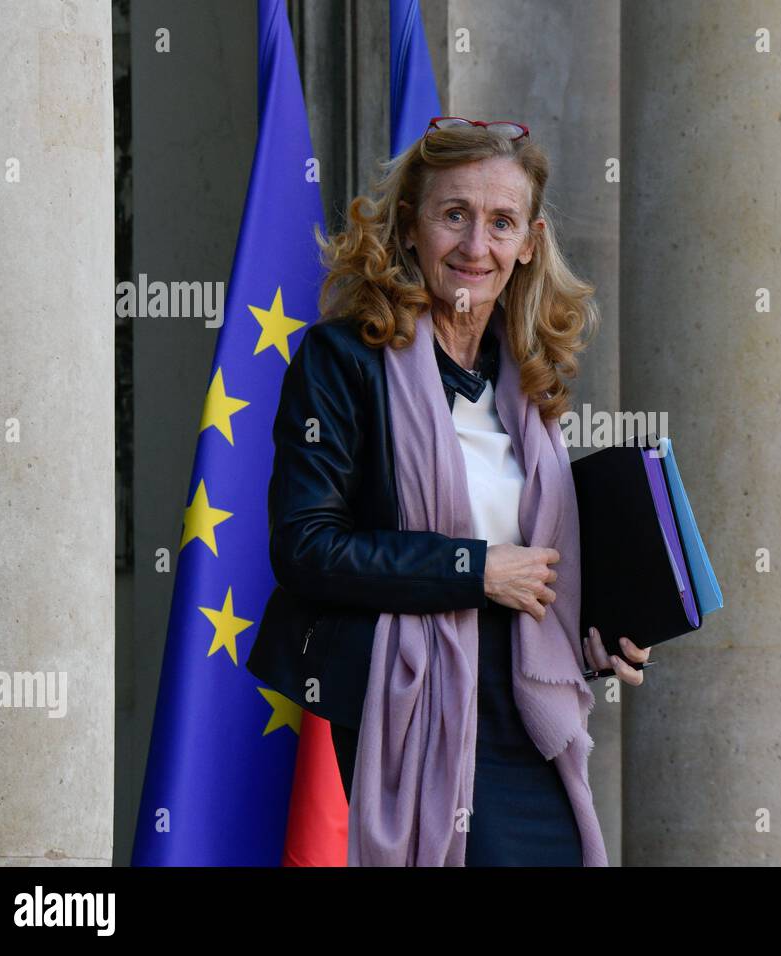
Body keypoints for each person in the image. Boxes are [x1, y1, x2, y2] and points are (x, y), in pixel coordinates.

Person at [245, 116, 650, 867]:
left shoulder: (528, 379)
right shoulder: (343, 361)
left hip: (529, 713)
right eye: (454, 215)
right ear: (408, 226)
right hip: (412, 705)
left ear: (528, 243)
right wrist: (476, 569)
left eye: (501, 223)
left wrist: (594, 633)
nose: (475, 247)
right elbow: (305, 547)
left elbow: (541, 571)